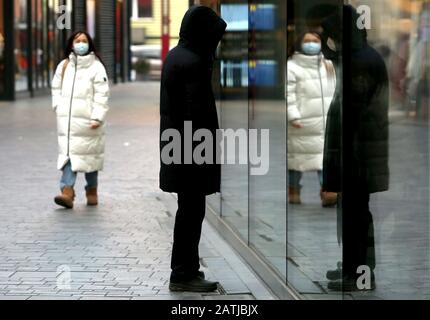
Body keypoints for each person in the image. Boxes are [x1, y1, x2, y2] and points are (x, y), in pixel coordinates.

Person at [320, 5, 389, 291]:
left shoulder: (361, 60)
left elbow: (357, 109)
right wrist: (330, 50)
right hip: (354, 149)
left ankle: (360, 274)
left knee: (358, 213)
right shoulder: (356, 55)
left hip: (358, 152)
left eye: (331, 32)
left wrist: (349, 154)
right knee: (352, 210)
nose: (327, 37)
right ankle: (354, 266)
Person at [159, 6, 227, 292]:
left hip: (180, 149)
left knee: (188, 211)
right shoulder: (194, 62)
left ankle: (186, 269)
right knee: (191, 212)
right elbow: (195, 113)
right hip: (191, 152)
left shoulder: (178, 55)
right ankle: (184, 273)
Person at [52, 31, 110, 209]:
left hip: (89, 123)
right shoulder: (64, 65)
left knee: (89, 159)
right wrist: (58, 106)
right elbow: (56, 87)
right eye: (78, 41)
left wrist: (97, 117)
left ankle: (92, 190)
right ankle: (67, 192)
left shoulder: (97, 67)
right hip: (68, 124)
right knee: (69, 158)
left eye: (84, 41)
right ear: (71, 44)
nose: (81, 44)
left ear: (89, 44)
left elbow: (102, 94)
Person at [287, 30, 337, 207]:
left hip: (324, 121)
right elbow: (289, 94)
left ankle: (328, 190)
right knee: (296, 159)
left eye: (315, 40)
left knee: (323, 159)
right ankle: (293, 189)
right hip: (302, 122)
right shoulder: (292, 66)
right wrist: (293, 116)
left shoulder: (328, 64)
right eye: (307, 40)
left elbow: (334, 90)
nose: (311, 44)